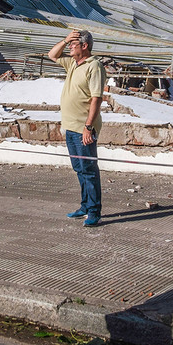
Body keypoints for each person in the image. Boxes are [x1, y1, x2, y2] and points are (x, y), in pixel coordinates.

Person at [47, 29, 107, 227]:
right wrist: (65, 40)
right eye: (70, 44)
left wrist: (88, 127)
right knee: (79, 169)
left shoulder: (94, 66)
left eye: (74, 44)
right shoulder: (73, 63)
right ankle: (85, 206)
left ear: (85, 46)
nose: (70, 47)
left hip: (83, 128)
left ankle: (94, 211)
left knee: (89, 170)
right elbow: (52, 55)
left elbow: (96, 98)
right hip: (70, 127)